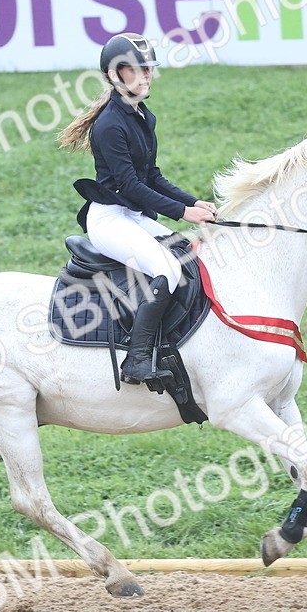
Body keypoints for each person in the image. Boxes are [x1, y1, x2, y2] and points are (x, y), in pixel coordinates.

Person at [57, 33, 216, 385]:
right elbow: (130, 186)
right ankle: (137, 359)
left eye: (148, 68)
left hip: (132, 215)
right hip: (109, 219)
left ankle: (174, 340)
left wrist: (191, 201)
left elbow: (152, 176)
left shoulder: (141, 115)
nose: (146, 75)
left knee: (185, 253)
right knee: (167, 270)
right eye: (136, 69)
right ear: (114, 75)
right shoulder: (110, 124)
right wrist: (183, 213)